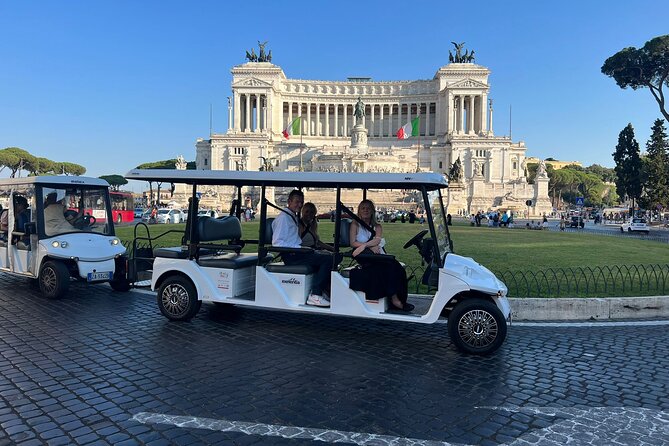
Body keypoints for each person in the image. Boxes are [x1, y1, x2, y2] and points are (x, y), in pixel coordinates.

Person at [348, 199, 414, 312]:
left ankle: (401, 298)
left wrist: (364, 246)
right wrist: (369, 246)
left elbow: (377, 241)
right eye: (363, 208)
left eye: (368, 208)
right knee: (385, 268)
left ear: (373, 211)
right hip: (364, 256)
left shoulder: (377, 226)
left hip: (374, 253)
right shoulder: (355, 224)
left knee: (397, 268)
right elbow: (353, 242)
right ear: (359, 210)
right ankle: (394, 299)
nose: (365, 210)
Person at [272, 190, 333, 307]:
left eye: (301, 202)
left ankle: (322, 290)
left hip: (297, 252)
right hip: (292, 255)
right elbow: (277, 242)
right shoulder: (284, 218)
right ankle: (315, 295)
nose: (300, 205)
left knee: (328, 257)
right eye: (297, 202)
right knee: (328, 259)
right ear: (289, 201)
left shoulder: (291, 216)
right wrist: (300, 248)